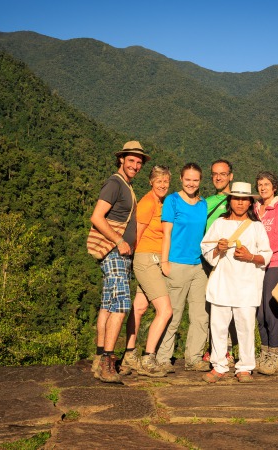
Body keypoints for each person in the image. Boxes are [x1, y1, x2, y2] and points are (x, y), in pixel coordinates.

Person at [90, 140, 150, 383]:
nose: (135, 165)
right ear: (121, 160)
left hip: (119, 254)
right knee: (122, 304)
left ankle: (98, 359)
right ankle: (107, 362)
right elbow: (97, 216)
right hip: (114, 252)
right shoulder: (115, 184)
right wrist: (118, 240)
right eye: (131, 160)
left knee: (107, 303)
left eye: (139, 162)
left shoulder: (126, 185)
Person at [201, 182, 272, 383]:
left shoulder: (257, 227)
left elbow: (266, 255)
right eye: (236, 198)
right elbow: (206, 249)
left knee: (246, 327)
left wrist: (250, 256)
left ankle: (245, 367)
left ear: (250, 202)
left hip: (247, 285)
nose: (240, 203)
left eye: (244, 199)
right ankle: (218, 365)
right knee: (218, 326)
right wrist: (218, 249)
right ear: (230, 201)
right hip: (223, 283)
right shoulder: (219, 224)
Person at [155, 163, 211, 372]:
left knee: (199, 315)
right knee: (173, 314)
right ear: (181, 179)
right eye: (188, 179)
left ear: (200, 181)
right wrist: (165, 262)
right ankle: (163, 357)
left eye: (195, 180)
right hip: (176, 264)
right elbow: (166, 233)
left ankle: (194, 358)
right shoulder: (173, 200)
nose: (191, 183)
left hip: (199, 266)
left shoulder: (203, 204)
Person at [121, 165, 173, 377]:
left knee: (140, 308)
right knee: (165, 310)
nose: (162, 185)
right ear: (151, 182)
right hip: (145, 258)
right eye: (158, 181)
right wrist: (134, 262)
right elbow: (137, 233)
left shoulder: (161, 202)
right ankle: (148, 358)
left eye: (166, 182)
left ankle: (129, 353)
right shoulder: (148, 202)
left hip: (153, 259)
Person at [254, 171, 278, 375]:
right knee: (259, 312)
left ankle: (274, 356)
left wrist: (261, 253)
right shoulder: (255, 208)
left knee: (271, 311)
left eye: (267, 184)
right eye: (260, 184)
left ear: (274, 187)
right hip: (256, 264)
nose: (263, 187)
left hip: (275, 262)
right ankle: (264, 351)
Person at [203, 159, 236, 367]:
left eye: (223, 174)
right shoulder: (205, 202)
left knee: (231, 305)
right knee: (211, 307)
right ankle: (214, 348)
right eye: (215, 173)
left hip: (231, 261)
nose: (218, 177)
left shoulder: (238, 200)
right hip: (209, 258)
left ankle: (228, 350)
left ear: (230, 176)